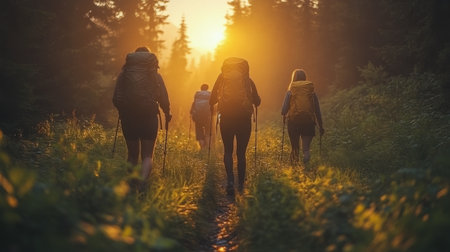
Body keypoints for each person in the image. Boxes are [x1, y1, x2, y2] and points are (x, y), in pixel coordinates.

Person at [113, 46, 171, 187]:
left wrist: (123, 110)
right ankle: (143, 182)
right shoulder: (155, 76)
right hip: (149, 116)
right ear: (150, 60)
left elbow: (115, 98)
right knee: (147, 155)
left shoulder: (124, 74)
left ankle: (131, 183)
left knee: (132, 154)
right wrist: (167, 113)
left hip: (129, 117)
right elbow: (163, 98)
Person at [209, 57, 261, 195]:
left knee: (227, 150)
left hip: (226, 118)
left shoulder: (221, 79)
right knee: (241, 153)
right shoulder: (247, 80)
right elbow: (258, 101)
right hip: (244, 119)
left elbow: (212, 99)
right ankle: (241, 184)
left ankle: (230, 181)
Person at [281, 69, 324, 165]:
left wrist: (285, 114)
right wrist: (321, 126)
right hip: (308, 123)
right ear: (305, 78)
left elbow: (283, 110)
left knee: (295, 148)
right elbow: (317, 111)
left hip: (293, 122)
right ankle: (306, 169)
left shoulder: (290, 91)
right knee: (306, 149)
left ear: (293, 78)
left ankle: (294, 172)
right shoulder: (311, 92)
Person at [190, 84, 211, 150]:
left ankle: (202, 148)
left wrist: (191, 113)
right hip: (207, 116)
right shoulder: (210, 94)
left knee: (199, 132)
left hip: (198, 116)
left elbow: (193, 104)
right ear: (207, 88)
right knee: (208, 131)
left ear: (201, 88)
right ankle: (207, 148)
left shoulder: (197, 94)